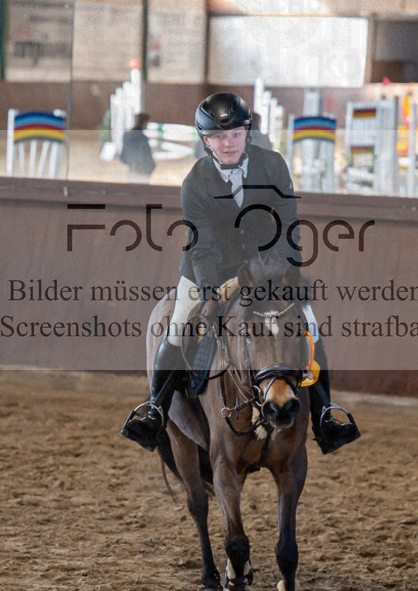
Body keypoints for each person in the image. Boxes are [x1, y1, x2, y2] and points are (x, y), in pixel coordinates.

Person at [121, 92, 360, 455]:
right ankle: (155, 409)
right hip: (208, 271)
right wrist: (211, 291)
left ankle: (325, 414)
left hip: (268, 268)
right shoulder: (195, 182)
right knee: (178, 325)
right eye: (218, 136)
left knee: (309, 325)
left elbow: (289, 228)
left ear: (247, 132)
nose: (228, 143)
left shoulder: (273, 165)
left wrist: (269, 272)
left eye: (235, 134)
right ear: (206, 141)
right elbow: (201, 246)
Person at [120, 112, 156, 181]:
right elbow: (145, 155)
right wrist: (151, 166)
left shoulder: (127, 135)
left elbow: (123, 157)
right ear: (145, 122)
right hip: (142, 171)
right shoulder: (142, 138)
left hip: (131, 170)